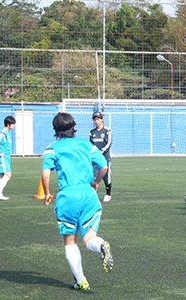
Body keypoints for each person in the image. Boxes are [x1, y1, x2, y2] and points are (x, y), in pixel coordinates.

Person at [41, 112, 113, 291]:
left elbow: (45, 173)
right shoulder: (86, 145)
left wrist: (48, 193)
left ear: (56, 130)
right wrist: (96, 182)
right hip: (88, 194)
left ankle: (81, 281)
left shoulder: (52, 148)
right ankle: (101, 245)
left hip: (67, 197)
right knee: (89, 238)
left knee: (70, 241)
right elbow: (103, 166)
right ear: (74, 127)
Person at [89, 111, 113, 202]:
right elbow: (90, 144)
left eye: (98, 119)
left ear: (102, 120)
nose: (96, 121)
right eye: (95, 119)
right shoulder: (92, 132)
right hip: (94, 159)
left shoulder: (107, 131)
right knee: (93, 176)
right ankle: (93, 194)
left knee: (106, 176)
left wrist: (101, 151)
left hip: (105, 158)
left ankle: (108, 194)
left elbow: (109, 143)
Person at [0, 115, 16, 200]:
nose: (14, 126)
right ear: (8, 124)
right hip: (3, 157)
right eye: (13, 124)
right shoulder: (3, 133)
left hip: (6, 157)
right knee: (8, 175)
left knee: (1, 175)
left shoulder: (7, 133)